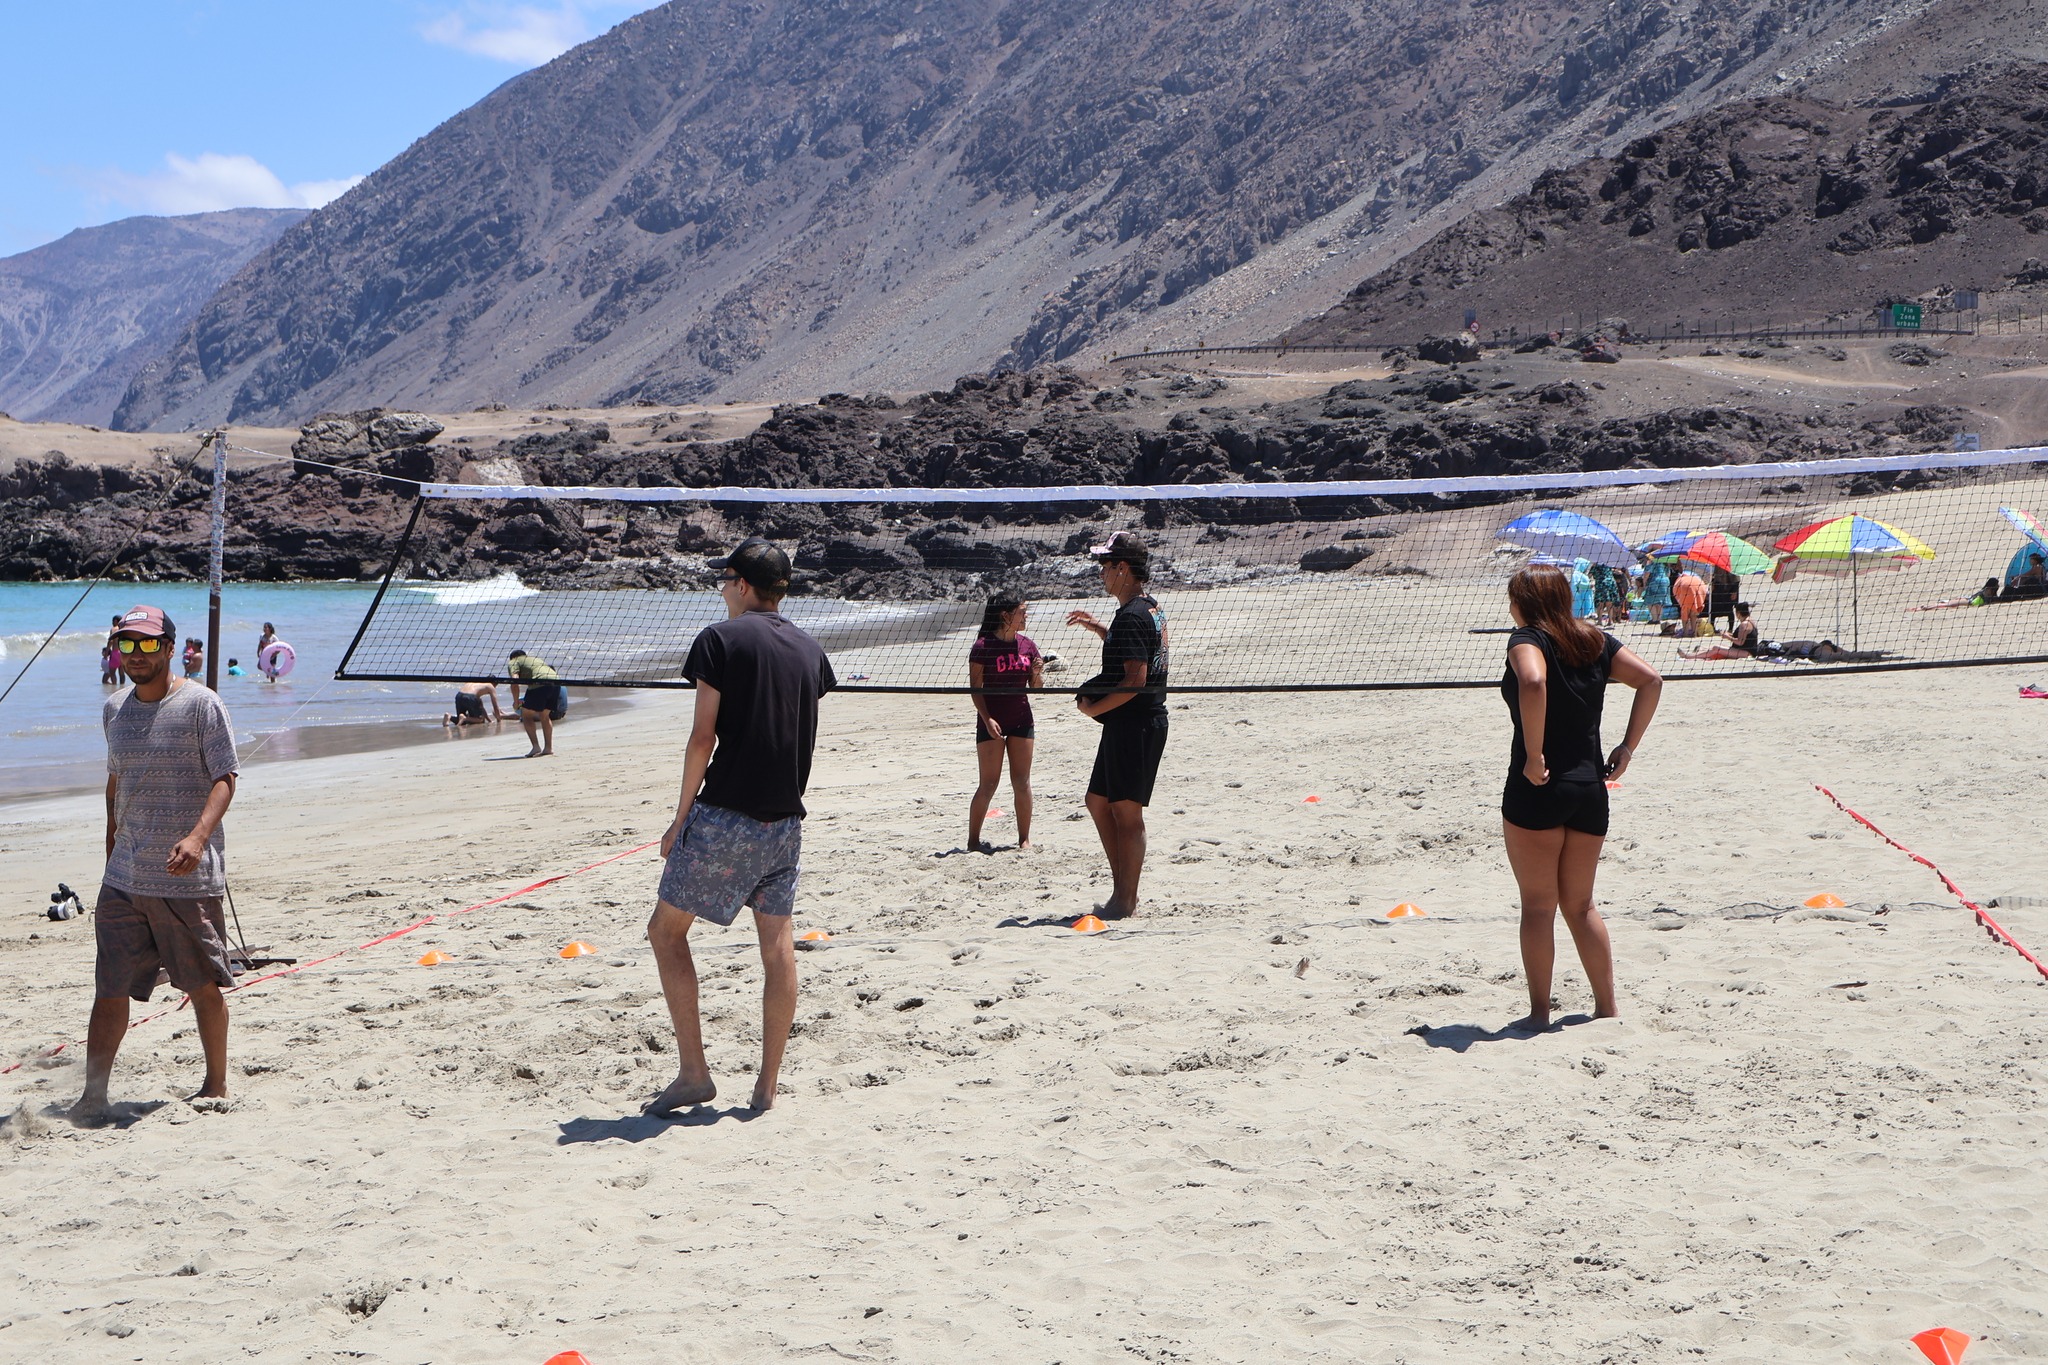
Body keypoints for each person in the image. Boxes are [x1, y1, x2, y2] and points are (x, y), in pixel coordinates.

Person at [645, 538, 835, 1116]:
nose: (721, 590)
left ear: (743, 584)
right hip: (786, 820)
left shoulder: (719, 639)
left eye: (724, 579)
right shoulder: (810, 649)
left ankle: (694, 1074)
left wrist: (680, 819)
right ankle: (766, 1087)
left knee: (666, 932)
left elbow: (703, 737)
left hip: (727, 815)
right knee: (777, 947)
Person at [72, 605, 240, 1124]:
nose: (137, 655)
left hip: (184, 876)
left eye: (148, 645)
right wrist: (109, 847)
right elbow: (115, 781)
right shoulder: (114, 708)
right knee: (110, 987)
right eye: (128, 645)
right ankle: (93, 1095)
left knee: (200, 982)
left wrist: (196, 837)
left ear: (170, 648)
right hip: (123, 877)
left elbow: (226, 776)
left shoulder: (201, 705)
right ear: (116, 651)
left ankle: (215, 1082)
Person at [1499, 565, 1661, 1034]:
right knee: (1582, 905)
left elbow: (1533, 682)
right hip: (1590, 788)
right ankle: (1607, 1008)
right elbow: (1651, 679)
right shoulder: (1592, 639)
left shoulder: (1526, 639)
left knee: (1537, 906)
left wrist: (1533, 754)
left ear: (1524, 602)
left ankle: (1539, 1013)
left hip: (1539, 786)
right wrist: (1627, 748)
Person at [1066, 531, 1169, 920]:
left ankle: (1126, 900)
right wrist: (1100, 631)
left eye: (1106, 567)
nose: (1101, 574)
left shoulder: (1133, 616)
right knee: (1097, 802)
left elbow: (1135, 681)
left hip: (1137, 723)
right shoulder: (1147, 608)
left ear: (1122, 568)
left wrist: (1094, 710)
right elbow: (1138, 651)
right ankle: (1121, 886)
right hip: (1131, 722)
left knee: (1127, 813)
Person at [967, 594, 1042, 852]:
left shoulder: (1028, 646)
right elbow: (975, 689)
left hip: (1021, 718)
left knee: (1022, 782)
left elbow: (1037, 688)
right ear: (1006, 615)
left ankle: (1024, 840)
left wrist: (1037, 673)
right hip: (992, 722)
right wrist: (987, 719)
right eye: (1022, 611)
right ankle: (973, 841)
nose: (1026, 615)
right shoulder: (982, 647)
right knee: (988, 784)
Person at [506, 650, 565, 756]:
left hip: (539, 683)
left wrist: (516, 702)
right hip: (556, 682)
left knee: (526, 715)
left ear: (513, 657)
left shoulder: (513, 661)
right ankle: (548, 748)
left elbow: (514, 681)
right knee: (545, 715)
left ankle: (536, 747)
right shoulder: (535, 659)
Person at [1680, 601, 1760, 660]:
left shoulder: (1744, 624)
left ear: (1738, 613)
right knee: (1714, 648)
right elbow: (1744, 639)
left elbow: (1740, 642)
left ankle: (1688, 656)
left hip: (1746, 653)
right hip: (1745, 650)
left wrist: (1727, 637)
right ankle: (1698, 652)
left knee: (1716, 648)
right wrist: (1729, 635)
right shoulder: (1750, 620)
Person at [1672, 565, 1707, 636]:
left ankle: (1685, 633)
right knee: (1693, 613)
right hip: (1701, 585)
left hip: (1686, 587)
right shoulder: (1693, 576)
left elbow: (1677, 595)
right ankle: (1694, 633)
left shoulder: (1678, 581)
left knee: (1685, 611)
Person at [1709, 567, 1740, 633]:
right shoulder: (1717, 563)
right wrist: (1713, 583)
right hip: (1718, 588)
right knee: (1713, 610)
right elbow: (1714, 575)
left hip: (1729, 589)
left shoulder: (1731, 565)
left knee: (1729, 610)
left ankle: (1730, 629)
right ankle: (1712, 628)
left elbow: (1736, 579)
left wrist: (1734, 591)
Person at [101, 614, 123, 685]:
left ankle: (114, 689)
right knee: (121, 673)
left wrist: (106, 653)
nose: (112, 623)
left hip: (115, 653)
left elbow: (111, 641)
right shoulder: (123, 629)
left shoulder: (114, 629)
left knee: (112, 672)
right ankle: (122, 687)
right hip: (123, 652)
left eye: (113, 621)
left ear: (116, 621)